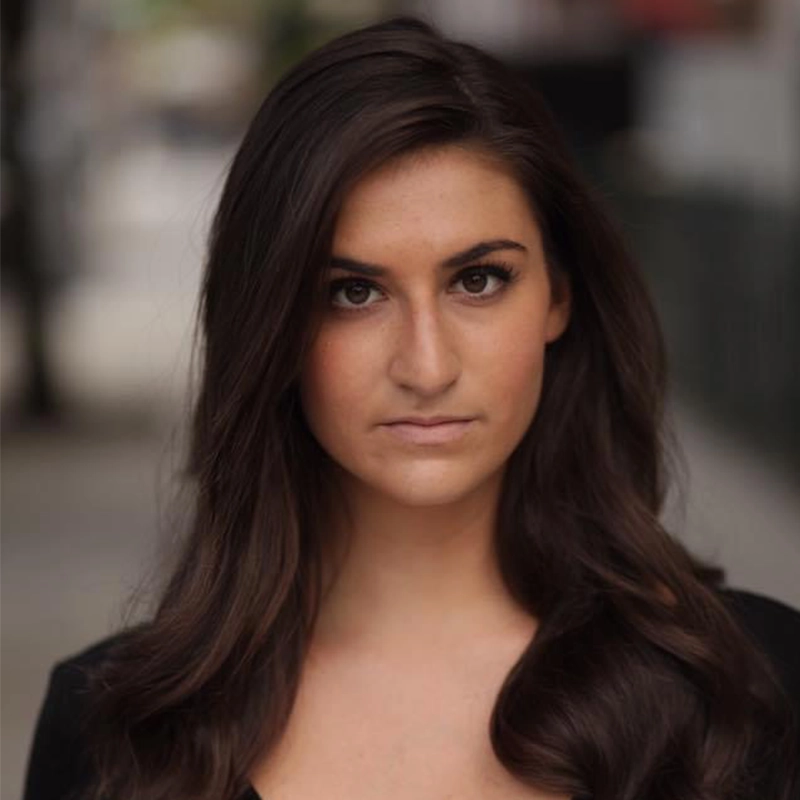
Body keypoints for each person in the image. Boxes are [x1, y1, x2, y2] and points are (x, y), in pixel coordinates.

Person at [23, 16, 800, 800]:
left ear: (559, 296)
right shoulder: (111, 732)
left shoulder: (752, 686)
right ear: (271, 324)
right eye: (353, 293)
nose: (426, 366)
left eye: (478, 280)